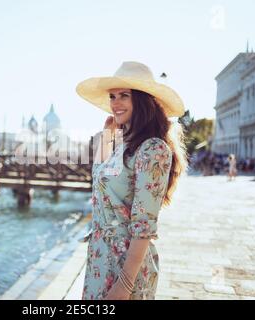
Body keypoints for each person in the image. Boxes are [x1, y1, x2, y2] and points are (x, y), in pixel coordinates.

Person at [76, 61, 187, 300]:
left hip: (126, 268)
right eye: (113, 96)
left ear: (142, 100)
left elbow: (143, 228)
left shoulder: (153, 149)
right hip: (100, 260)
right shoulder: (124, 145)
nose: (115, 103)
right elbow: (98, 179)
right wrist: (108, 134)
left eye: (123, 96)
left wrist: (123, 287)